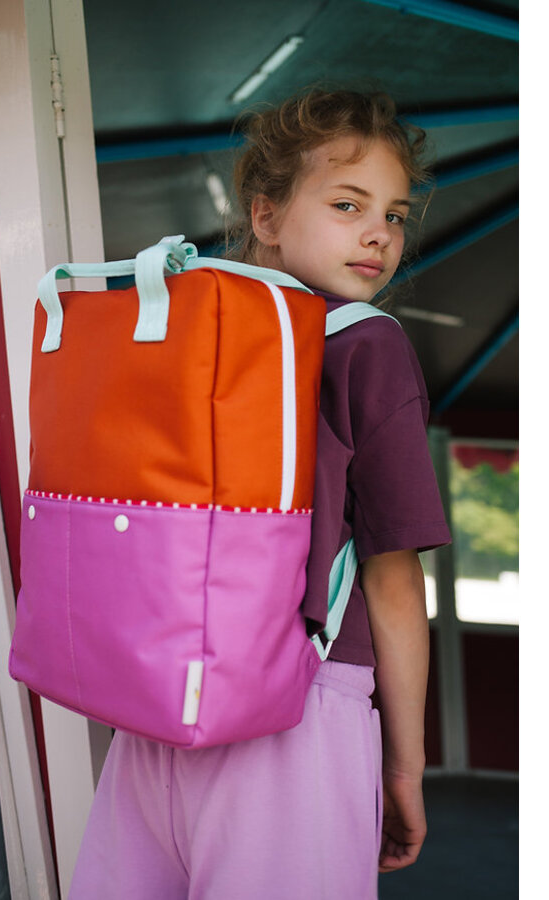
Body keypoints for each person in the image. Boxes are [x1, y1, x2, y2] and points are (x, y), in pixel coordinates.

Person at [69, 88, 451, 899]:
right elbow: (391, 579)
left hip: (158, 711)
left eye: (395, 213)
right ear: (266, 215)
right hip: (296, 717)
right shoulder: (367, 347)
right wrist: (407, 770)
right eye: (348, 204)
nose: (379, 233)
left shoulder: (182, 330)